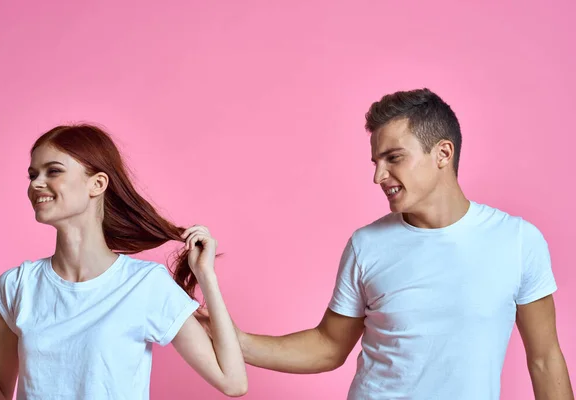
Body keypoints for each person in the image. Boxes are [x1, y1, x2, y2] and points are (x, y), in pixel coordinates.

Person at [197, 88, 574, 399]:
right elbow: (329, 346)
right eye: (376, 161)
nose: (379, 175)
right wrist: (235, 340)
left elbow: (544, 358)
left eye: (393, 158)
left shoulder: (518, 241)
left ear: (443, 154)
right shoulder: (367, 245)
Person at [0, 125, 247, 400]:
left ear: (98, 184)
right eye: (33, 175)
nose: (35, 184)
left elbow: (233, 382)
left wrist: (206, 277)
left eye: (53, 171)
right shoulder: (17, 285)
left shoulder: (144, 284)